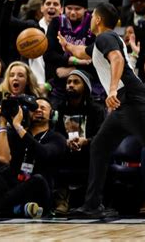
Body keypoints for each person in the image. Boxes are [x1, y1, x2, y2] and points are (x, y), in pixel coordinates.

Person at [57, 2, 145, 218]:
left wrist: (112, 89)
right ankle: (92, 205)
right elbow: (82, 52)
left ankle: (93, 204)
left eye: (91, 16)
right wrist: (67, 45)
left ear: (98, 19)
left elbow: (117, 59)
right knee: (99, 146)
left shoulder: (106, 38)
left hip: (130, 98)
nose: (88, 18)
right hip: (124, 102)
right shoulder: (100, 43)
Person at [0, 98, 66, 218]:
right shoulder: (15, 134)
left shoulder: (57, 138)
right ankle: (17, 209)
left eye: (43, 108)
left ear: (52, 114)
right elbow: (2, 158)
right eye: (35, 108)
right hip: (15, 186)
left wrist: (18, 126)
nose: (38, 110)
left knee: (38, 180)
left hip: (39, 190)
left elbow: (44, 153)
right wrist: (3, 123)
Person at [53, 70, 106, 215]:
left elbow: (103, 137)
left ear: (86, 87)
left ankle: (94, 203)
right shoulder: (60, 108)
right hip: (66, 152)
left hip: (89, 152)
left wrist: (86, 141)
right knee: (50, 152)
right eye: (69, 82)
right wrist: (64, 141)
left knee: (100, 154)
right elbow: (54, 134)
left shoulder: (96, 110)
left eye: (76, 82)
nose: (70, 85)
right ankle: (61, 200)